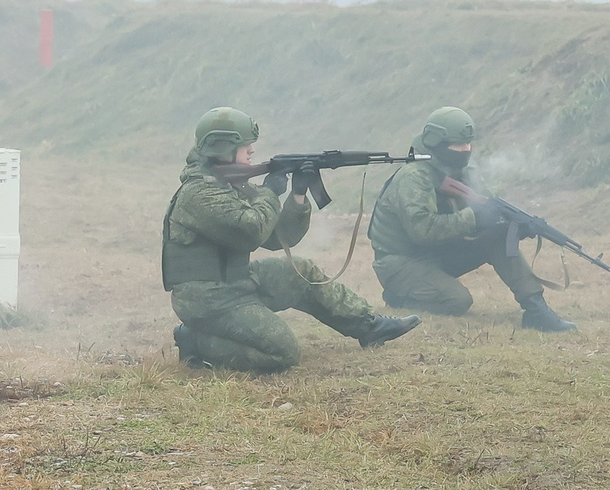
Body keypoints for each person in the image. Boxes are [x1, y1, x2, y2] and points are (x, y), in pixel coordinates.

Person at [162, 107, 420, 372]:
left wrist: (297, 195)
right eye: (244, 145)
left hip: (234, 281)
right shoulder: (200, 193)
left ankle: (369, 327)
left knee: (301, 272)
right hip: (207, 299)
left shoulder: (227, 185)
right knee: (282, 354)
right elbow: (250, 231)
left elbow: (277, 237)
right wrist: (271, 192)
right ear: (222, 148)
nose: (251, 150)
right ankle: (196, 340)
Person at [368, 106, 576, 332]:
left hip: (437, 253)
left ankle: (536, 309)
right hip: (401, 262)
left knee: (499, 236)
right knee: (458, 301)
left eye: (468, 144)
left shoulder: (462, 171)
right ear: (436, 142)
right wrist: (473, 218)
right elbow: (422, 231)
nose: (465, 150)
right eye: (457, 145)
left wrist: (512, 225)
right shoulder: (413, 178)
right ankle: (400, 298)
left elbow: (487, 206)